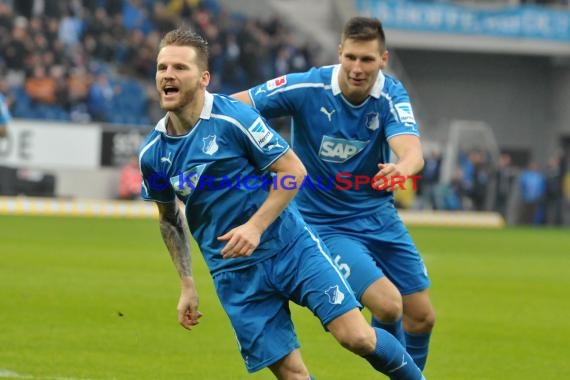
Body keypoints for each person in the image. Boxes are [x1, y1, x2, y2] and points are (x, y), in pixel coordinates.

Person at [139, 28, 425, 380]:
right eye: (162, 67)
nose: (168, 75)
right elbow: (169, 219)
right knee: (292, 374)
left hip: (290, 247)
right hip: (234, 272)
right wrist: (187, 284)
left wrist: (255, 226)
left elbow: (293, 171)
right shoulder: (153, 154)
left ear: (203, 78)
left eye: (180, 67)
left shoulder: (234, 120)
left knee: (358, 337)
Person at [233, 17, 435, 370]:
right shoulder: (307, 87)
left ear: (383, 59)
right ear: (340, 53)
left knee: (421, 317)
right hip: (325, 225)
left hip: (379, 217)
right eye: (352, 57)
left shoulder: (391, 93)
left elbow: (412, 151)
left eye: (367, 60)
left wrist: (402, 167)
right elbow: (237, 105)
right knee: (388, 305)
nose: (358, 68)